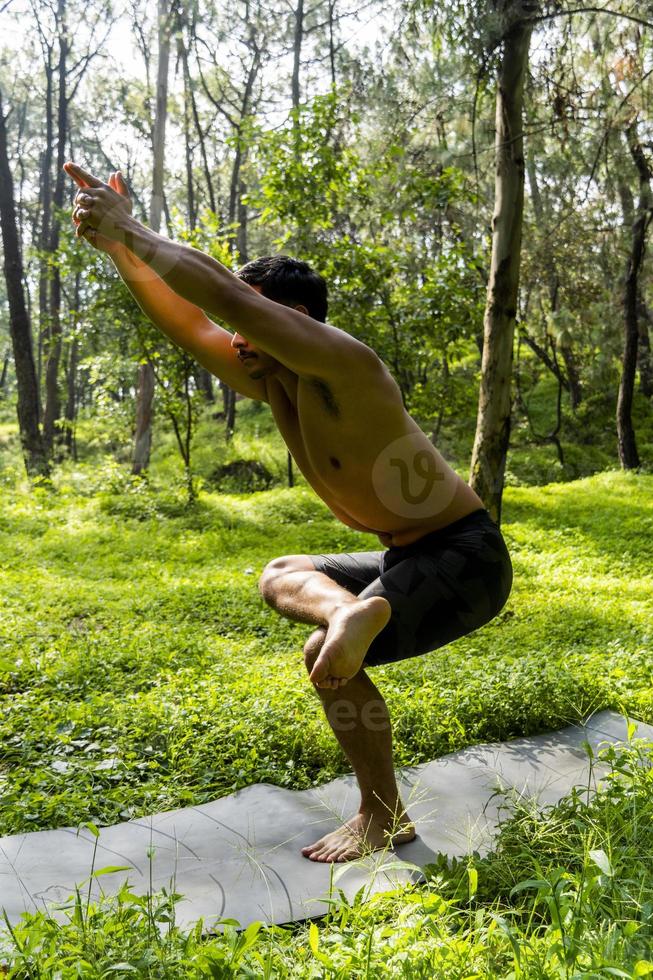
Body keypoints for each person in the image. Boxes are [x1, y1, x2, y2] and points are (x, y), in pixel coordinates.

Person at [64, 161, 513, 863]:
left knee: (322, 661)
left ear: (292, 319)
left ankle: (382, 815)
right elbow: (190, 316)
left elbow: (216, 294)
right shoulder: (273, 373)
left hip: (467, 557)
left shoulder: (346, 365)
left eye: (250, 320)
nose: (234, 339)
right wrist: (120, 251)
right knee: (280, 572)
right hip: (409, 556)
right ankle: (347, 615)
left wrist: (134, 228)